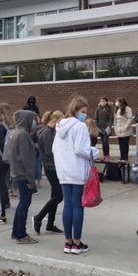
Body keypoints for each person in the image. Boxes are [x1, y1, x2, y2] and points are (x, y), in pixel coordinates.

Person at [53, 96, 100, 254]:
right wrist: (95, 151)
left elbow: (55, 149)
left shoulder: (59, 126)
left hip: (64, 170)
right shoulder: (79, 127)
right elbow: (81, 149)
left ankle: (67, 242)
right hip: (78, 170)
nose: (85, 115)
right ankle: (77, 242)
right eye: (83, 112)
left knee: (67, 205)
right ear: (76, 110)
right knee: (78, 206)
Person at [33, 110, 65, 235]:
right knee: (59, 196)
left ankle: (50, 223)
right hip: (51, 167)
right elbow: (49, 151)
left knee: (55, 195)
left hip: (52, 166)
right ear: (55, 120)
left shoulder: (49, 131)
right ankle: (39, 217)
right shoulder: (46, 132)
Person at [10, 110, 39, 244]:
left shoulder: (19, 133)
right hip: (23, 175)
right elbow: (26, 159)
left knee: (23, 203)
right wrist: (31, 179)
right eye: (32, 119)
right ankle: (21, 234)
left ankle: (16, 231)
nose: (34, 122)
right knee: (24, 203)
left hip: (19, 173)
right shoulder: (23, 135)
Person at [113, 97, 133, 162]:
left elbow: (130, 119)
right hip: (119, 130)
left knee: (125, 144)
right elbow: (115, 120)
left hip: (125, 130)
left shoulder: (128, 109)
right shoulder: (117, 109)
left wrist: (125, 127)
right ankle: (121, 157)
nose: (116, 102)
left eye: (117, 101)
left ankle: (125, 158)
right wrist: (115, 128)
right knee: (121, 144)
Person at [94, 97, 113, 161]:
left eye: (103, 101)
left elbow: (111, 119)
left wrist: (109, 126)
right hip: (100, 128)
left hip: (106, 128)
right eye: (101, 101)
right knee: (102, 142)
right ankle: (104, 155)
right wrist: (97, 126)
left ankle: (107, 154)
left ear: (106, 102)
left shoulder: (109, 109)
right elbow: (96, 118)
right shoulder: (98, 109)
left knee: (105, 141)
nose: (102, 102)